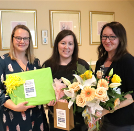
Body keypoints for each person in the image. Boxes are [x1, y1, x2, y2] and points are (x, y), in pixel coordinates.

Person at [0, 25, 49, 131]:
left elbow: (41, 87)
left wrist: (49, 98)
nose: (22, 41)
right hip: (13, 117)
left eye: (25, 38)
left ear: (29, 41)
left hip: (36, 116)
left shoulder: (35, 62)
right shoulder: (3, 61)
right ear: (12, 39)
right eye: (18, 38)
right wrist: (15, 107)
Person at [42, 30, 90, 131]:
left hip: (79, 123)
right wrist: (47, 101)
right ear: (57, 45)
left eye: (70, 44)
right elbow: (43, 91)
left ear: (74, 46)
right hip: (56, 120)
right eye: (63, 43)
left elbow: (91, 91)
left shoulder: (82, 66)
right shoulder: (47, 66)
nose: (66, 47)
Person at [95, 21, 134, 131]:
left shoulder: (128, 61)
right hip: (104, 120)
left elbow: (132, 94)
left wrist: (107, 109)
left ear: (120, 39)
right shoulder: (100, 62)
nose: (107, 40)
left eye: (112, 37)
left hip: (122, 123)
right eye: (104, 36)